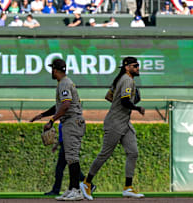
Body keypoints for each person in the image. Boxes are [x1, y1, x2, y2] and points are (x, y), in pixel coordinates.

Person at [80, 57, 145, 200]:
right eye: (135, 65)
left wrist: (120, 103)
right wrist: (137, 107)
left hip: (124, 122)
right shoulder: (127, 80)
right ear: (127, 67)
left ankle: (128, 187)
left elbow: (109, 96)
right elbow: (124, 101)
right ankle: (86, 183)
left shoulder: (120, 79)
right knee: (105, 154)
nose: (138, 68)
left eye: (138, 65)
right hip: (115, 123)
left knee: (133, 152)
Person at [30, 59, 86, 201]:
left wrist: (51, 121)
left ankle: (77, 190)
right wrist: (43, 115)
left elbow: (66, 105)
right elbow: (60, 106)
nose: (51, 72)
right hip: (71, 121)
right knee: (69, 157)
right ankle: (71, 189)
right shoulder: (64, 83)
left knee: (72, 157)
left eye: (52, 69)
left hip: (72, 121)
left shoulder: (64, 83)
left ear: (55, 70)